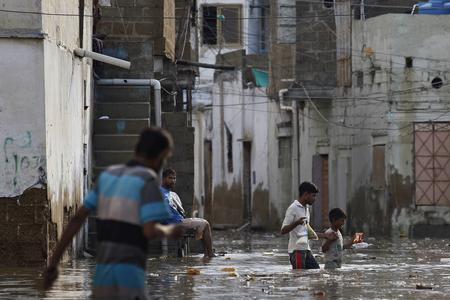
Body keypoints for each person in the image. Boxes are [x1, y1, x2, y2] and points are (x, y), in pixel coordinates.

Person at [43, 127, 183, 299]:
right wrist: (170, 231)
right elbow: (149, 230)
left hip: (103, 279)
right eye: (165, 157)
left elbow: (77, 218)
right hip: (130, 279)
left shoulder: (109, 175)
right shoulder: (148, 181)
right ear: (158, 157)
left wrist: (54, 263)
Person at [281, 181, 337, 269]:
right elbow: (283, 230)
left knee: (316, 272)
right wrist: (296, 223)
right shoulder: (293, 208)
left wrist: (325, 235)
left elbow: (307, 232)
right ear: (306, 194)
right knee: (300, 278)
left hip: (306, 250)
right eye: (313, 196)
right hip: (297, 251)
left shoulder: (306, 209)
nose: (315, 199)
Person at [160, 168, 215, 258]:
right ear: (163, 179)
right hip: (176, 223)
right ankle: (210, 254)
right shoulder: (161, 193)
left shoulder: (170, 193)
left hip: (178, 221)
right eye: (170, 178)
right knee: (206, 224)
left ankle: (206, 254)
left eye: (174, 178)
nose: (173, 181)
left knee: (203, 224)